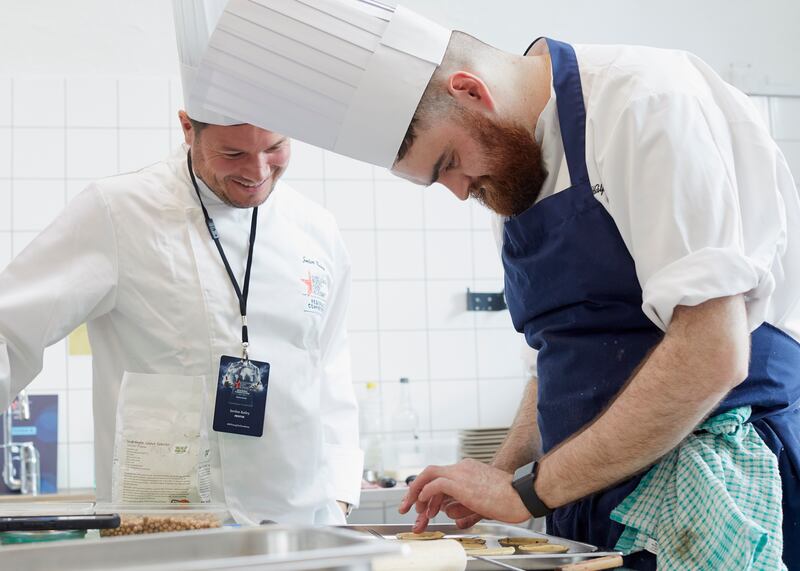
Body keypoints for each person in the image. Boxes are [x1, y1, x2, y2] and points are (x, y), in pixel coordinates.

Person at [185, 1, 800, 568]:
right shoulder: (512, 174)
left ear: (471, 91)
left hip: (712, 474)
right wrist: (497, 472)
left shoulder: (646, 103)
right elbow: (559, 360)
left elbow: (711, 352)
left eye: (448, 164)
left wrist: (528, 490)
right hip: (595, 492)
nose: (458, 191)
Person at [0, 0, 363, 525]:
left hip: (300, 527)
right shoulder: (118, 211)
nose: (257, 172)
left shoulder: (316, 229)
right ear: (188, 127)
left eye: (276, 148)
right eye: (233, 153)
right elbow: (11, 331)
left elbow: (329, 366)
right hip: (164, 529)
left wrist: (339, 494)